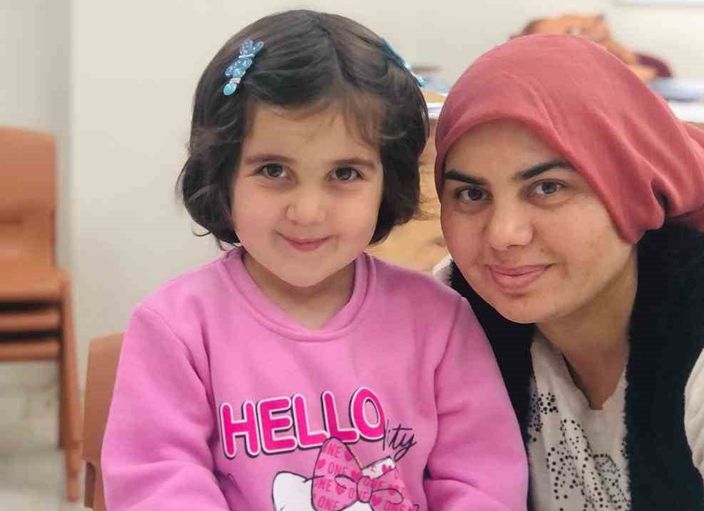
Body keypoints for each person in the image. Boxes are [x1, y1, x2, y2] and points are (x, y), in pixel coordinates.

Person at [101, 11, 527, 511]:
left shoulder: (441, 322)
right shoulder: (175, 329)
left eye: (344, 174)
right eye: (273, 170)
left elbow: (484, 481)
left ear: (388, 183)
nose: (307, 211)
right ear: (222, 175)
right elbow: (158, 485)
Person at [433, 34, 704, 510]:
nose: (503, 234)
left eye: (548, 188)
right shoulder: (455, 310)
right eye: (471, 195)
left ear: (630, 189)